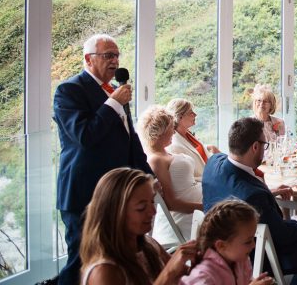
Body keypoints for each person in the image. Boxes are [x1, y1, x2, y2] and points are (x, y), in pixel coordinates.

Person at [53, 34, 153, 285]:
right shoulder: (69, 90)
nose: (115, 61)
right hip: (84, 193)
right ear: (89, 59)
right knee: (80, 261)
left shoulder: (114, 91)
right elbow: (84, 136)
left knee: (113, 259)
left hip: (117, 195)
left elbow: (130, 139)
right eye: (108, 55)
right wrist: (113, 103)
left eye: (117, 55)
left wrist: (147, 175)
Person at [203, 117, 297, 283]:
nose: (264, 150)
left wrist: (270, 192)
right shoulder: (252, 195)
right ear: (255, 147)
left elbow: (237, 194)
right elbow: (282, 236)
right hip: (263, 250)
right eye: (264, 145)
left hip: (224, 244)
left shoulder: (214, 162)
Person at [79, 168, 198, 285]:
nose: (153, 211)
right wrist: (169, 272)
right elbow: (170, 273)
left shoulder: (149, 244)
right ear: (115, 213)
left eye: (152, 202)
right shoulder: (105, 271)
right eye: (141, 208)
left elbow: (185, 276)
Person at [138, 105, 202, 245]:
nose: (174, 132)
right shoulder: (156, 159)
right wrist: (205, 206)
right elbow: (171, 203)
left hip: (195, 208)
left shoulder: (165, 152)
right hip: (187, 216)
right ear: (160, 132)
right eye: (170, 128)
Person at [180, 199, 273, 285]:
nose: (254, 245)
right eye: (248, 241)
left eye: (253, 238)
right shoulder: (204, 276)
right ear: (221, 245)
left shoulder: (240, 260)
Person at [166, 98, 219, 181]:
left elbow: (194, 151)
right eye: (191, 113)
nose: (195, 114)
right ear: (180, 117)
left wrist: (209, 147)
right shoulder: (174, 146)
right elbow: (185, 178)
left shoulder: (188, 134)